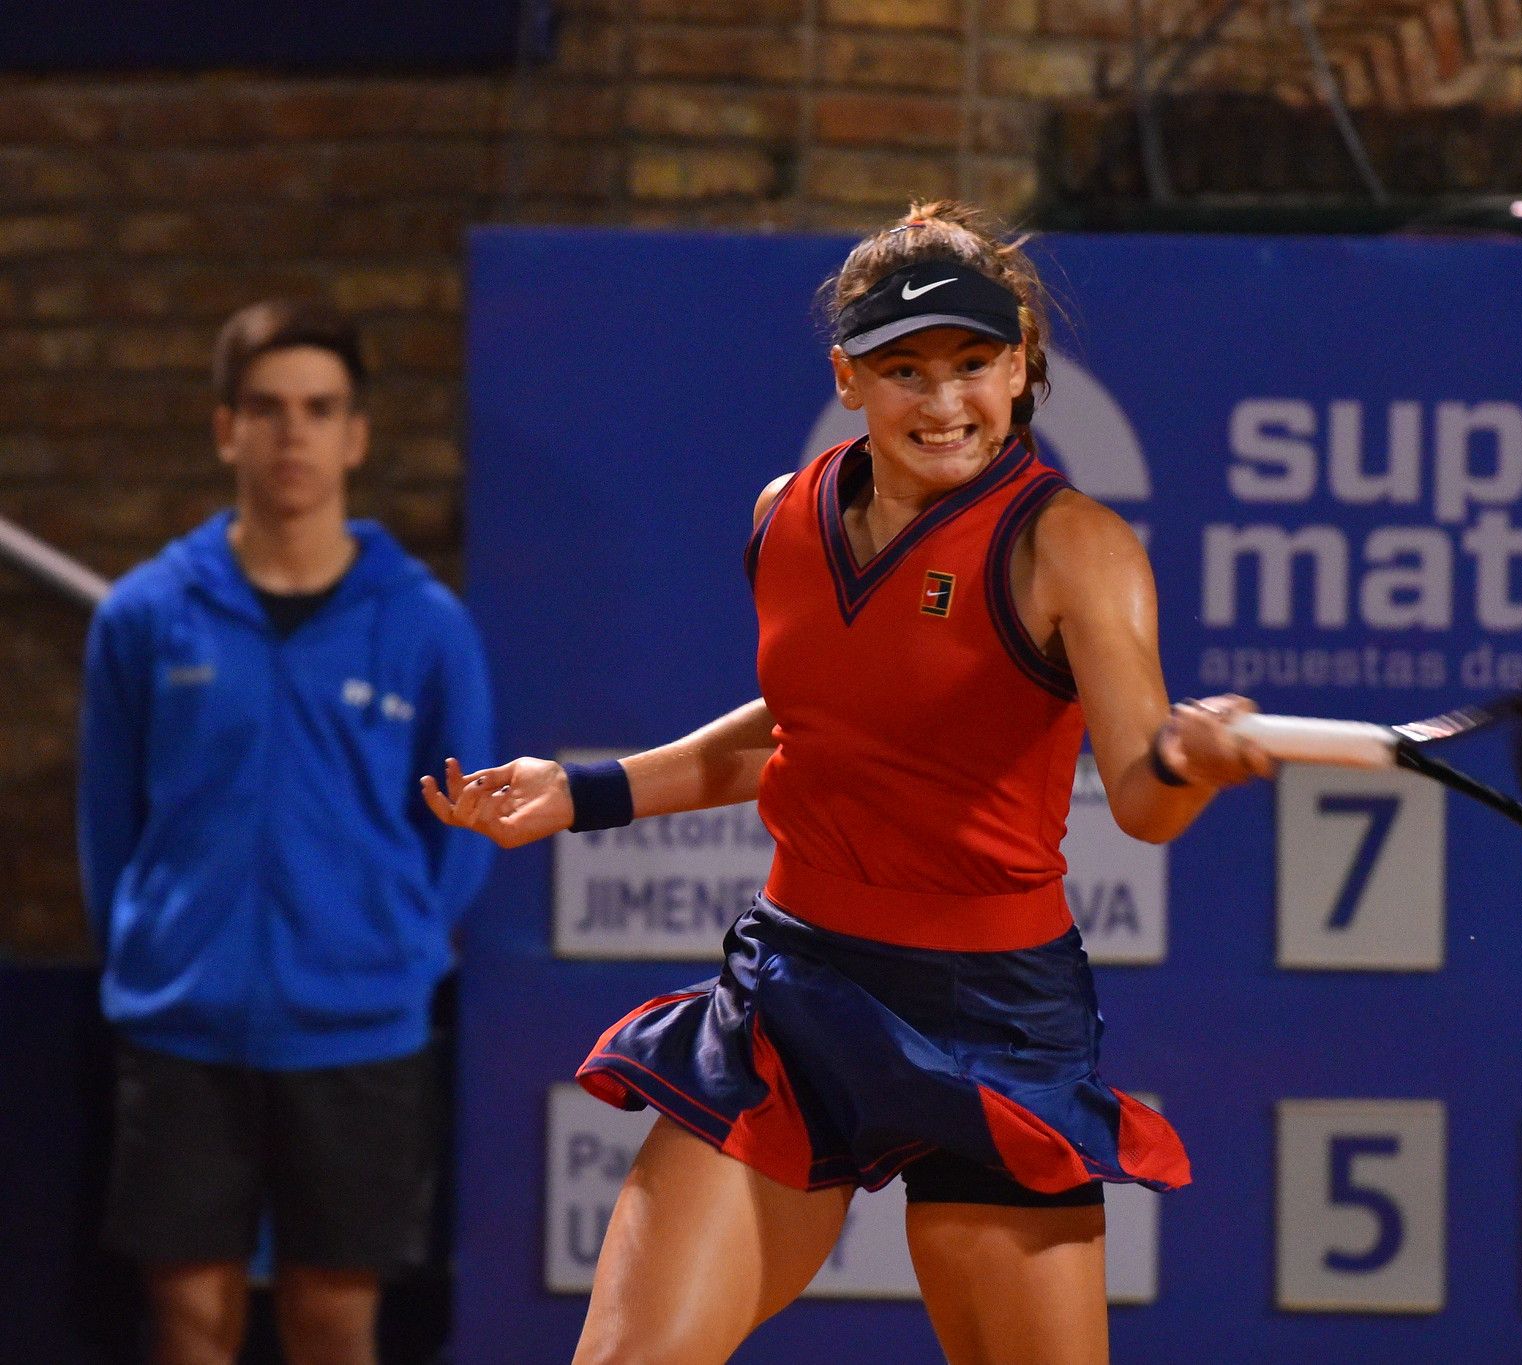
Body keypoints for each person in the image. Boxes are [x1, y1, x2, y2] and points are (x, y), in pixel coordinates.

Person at [423, 201, 1268, 1365]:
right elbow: (813, 730)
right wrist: (586, 793)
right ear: (849, 377)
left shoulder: (1073, 549)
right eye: (904, 370)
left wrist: (1193, 764)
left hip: (994, 1021)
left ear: (1020, 366)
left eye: (973, 365)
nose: (943, 402)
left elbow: (1139, 796)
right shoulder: (786, 515)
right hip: (800, 987)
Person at [78, 300, 496, 1365]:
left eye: (318, 409)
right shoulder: (141, 617)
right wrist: (157, 950)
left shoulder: (426, 627)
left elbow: (461, 832)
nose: (292, 433)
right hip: (181, 1030)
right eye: (265, 409)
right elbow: (108, 827)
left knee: (332, 1322)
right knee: (189, 1322)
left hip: (360, 1032)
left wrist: (386, 946)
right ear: (226, 429)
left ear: (356, 433)